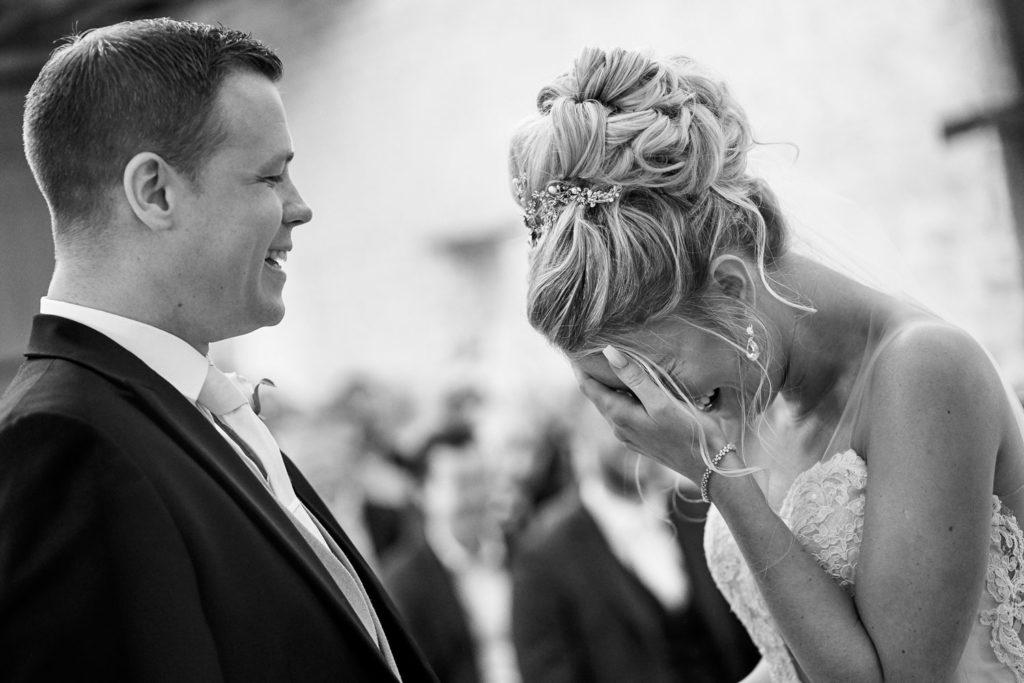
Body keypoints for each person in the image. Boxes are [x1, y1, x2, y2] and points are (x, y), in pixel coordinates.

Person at [508, 46, 1024, 681]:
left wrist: (719, 477)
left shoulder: (926, 370)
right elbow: (790, 660)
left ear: (729, 287)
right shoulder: (753, 390)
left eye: (658, 373)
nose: (659, 412)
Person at [0, 18, 436, 682]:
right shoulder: (68, 442)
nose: (300, 207)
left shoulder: (182, 408)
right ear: (155, 192)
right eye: (271, 177)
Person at [511, 399, 758, 682]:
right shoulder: (543, 557)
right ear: (582, 432)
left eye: (645, 415)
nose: (637, 433)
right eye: (617, 421)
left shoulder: (704, 512)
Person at [382, 427, 520, 683]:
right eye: (462, 483)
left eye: (480, 479)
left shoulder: (522, 550)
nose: (475, 496)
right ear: (422, 492)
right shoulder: (404, 583)